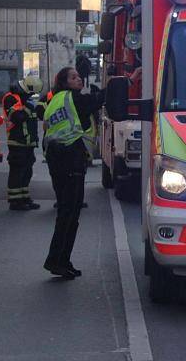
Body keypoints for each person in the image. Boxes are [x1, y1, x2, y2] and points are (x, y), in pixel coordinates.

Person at [42, 66, 139, 279]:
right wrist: (129, 81)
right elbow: (101, 97)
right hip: (70, 160)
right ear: (65, 82)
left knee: (66, 213)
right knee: (70, 214)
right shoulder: (74, 99)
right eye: (74, 77)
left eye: (78, 76)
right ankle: (57, 260)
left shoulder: (55, 100)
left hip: (56, 160)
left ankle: (61, 260)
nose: (79, 79)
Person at [2, 76, 44, 211]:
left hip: (28, 142)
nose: (32, 96)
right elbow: (17, 117)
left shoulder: (26, 99)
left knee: (27, 172)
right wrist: (28, 107)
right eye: (32, 93)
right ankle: (15, 201)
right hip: (17, 141)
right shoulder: (11, 98)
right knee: (17, 172)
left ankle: (25, 198)